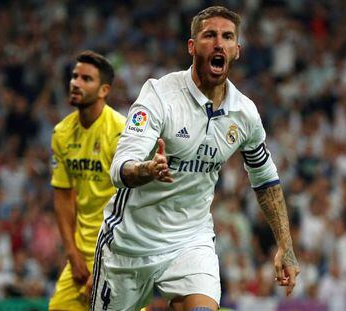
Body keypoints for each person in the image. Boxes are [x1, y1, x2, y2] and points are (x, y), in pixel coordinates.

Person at [91, 6, 300, 311]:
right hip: (129, 244)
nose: (219, 43)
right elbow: (120, 168)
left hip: (190, 241)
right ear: (192, 47)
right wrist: (147, 169)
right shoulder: (159, 96)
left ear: (237, 51)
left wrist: (285, 244)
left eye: (227, 37)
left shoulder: (244, 113)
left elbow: (265, 179)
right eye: (209, 35)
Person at [49, 50, 125, 310]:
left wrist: (107, 268)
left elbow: (134, 202)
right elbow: (62, 196)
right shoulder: (62, 133)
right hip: (81, 256)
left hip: (120, 253)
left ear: (104, 90)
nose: (75, 83)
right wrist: (72, 253)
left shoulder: (121, 132)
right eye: (74, 76)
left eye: (86, 79)